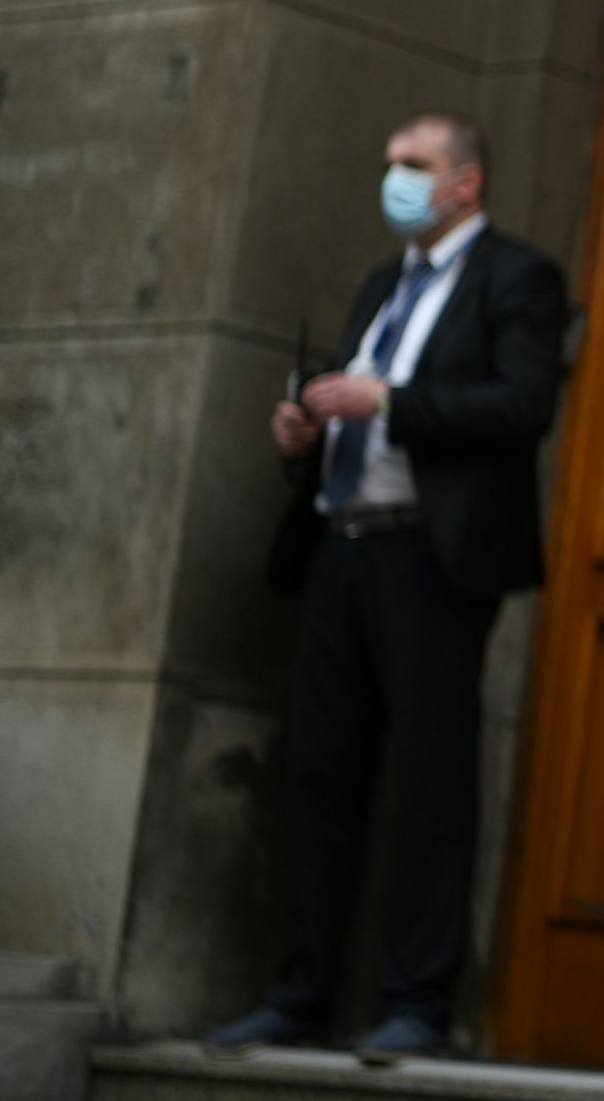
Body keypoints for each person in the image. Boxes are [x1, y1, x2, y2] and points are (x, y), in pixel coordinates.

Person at [204, 112, 567, 1064]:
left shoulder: (516, 278)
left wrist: (390, 403)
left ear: (466, 184)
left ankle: (417, 1001)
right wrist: (310, 428)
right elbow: (354, 397)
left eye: (413, 165)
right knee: (322, 772)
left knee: (432, 777)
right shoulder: (382, 284)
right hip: (340, 550)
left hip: (430, 561)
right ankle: (302, 991)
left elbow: (524, 404)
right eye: (389, 164)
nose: (394, 180)